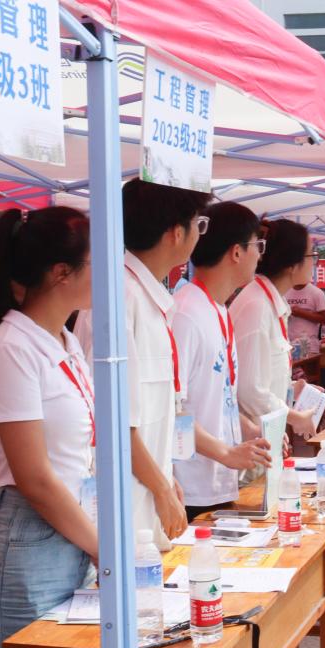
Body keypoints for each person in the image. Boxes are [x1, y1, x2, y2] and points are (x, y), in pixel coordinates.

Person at [0, 207, 98, 648]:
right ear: (62, 272)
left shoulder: (63, 340)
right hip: (28, 549)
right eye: (96, 261)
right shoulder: (11, 346)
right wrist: (103, 547)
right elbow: (35, 478)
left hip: (69, 530)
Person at [74, 178, 210, 549]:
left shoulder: (144, 294)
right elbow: (112, 420)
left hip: (145, 503)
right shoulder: (118, 296)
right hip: (120, 513)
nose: (199, 235)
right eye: (199, 224)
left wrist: (164, 476)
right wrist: (160, 486)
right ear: (176, 232)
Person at [171, 201, 273, 522]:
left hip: (217, 481)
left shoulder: (218, 310)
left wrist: (250, 430)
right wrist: (226, 452)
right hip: (188, 488)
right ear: (237, 252)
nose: (260, 256)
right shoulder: (185, 314)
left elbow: (217, 397)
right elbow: (170, 410)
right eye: (257, 245)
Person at [230, 219, 320, 440]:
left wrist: (293, 388)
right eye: (312, 255)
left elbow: (261, 377)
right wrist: (294, 417)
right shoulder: (257, 307)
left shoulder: (268, 302)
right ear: (292, 264)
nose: (314, 262)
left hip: (262, 437)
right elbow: (249, 390)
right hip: (250, 440)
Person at [286, 279, 325, 350]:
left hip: (309, 346)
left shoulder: (317, 292)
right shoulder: (284, 291)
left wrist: (301, 313)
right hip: (287, 345)